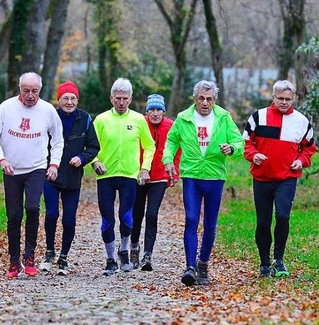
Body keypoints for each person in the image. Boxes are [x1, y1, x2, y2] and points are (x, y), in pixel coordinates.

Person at [163, 80, 244, 286]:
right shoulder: (183, 118)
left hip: (215, 176)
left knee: (210, 225)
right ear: (195, 98)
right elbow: (171, 141)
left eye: (209, 99)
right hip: (191, 175)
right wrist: (168, 160)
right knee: (191, 219)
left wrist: (232, 148)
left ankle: (203, 264)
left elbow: (239, 141)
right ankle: (189, 267)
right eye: (201, 98)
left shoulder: (224, 117)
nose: (205, 103)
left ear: (214, 100)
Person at [0, 72, 64, 279]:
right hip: (11, 169)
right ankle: (13, 261)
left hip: (36, 168)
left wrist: (54, 164)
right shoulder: (6, 108)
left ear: (40, 90)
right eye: (26, 91)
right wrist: (1, 159)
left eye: (34, 91)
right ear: (19, 89)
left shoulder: (47, 110)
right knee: (14, 216)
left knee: (32, 208)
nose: (30, 95)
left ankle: (29, 256)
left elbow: (58, 139)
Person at [243, 80, 316, 278]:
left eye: (288, 99)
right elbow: (247, 142)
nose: (284, 102)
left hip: (287, 177)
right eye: (280, 98)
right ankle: (264, 263)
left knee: (283, 216)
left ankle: (279, 260)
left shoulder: (301, 121)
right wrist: (254, 155)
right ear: (273, 97)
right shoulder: (259, 117)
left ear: (294, 99)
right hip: (262, 177)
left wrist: (301, 160)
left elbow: (309, 147)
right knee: (263, 221)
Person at [92, 78, 156, 276]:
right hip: (106, 175)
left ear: (131, 99)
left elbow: (150, 146)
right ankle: (110, 259)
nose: (121, 102)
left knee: (126, 217)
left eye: (125, 98)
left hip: (129, 175)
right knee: (107, 219)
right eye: (118, 98)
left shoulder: (138, 120)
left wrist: (145, 168)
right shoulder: (101, 120)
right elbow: (90, 145)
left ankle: (124, 252)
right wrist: (95, 161)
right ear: (111, 98)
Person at [39, 81, 100, 275]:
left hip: (73, 176)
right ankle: (49, 252)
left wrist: (82, 158)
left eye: (73, 98)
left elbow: (93, 147)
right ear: (59, 100)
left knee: (69, 219)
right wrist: (47, 164)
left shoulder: (85, 119)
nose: (69, 102)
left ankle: (64, 257)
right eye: (65, 98)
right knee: (51, 214)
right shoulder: (50, 117)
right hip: (51, 174)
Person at [130, 94, 180, 271]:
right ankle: (134, 247)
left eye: (159, 110)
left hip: (159, 176)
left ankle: (147, 255)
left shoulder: (171, 126)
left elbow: (177, 149)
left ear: (164, 111)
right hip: (139, 174)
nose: (155, 113)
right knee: (137, 214)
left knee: (152, 214)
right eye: (151, 109)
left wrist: (174, 170)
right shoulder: (139, 123)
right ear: (147, 111)